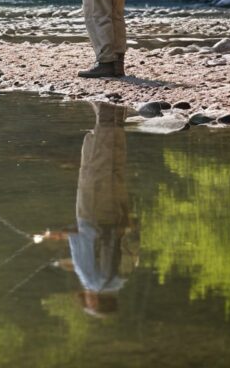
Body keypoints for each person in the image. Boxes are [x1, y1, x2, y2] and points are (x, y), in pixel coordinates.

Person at [40, 102, 134, 317]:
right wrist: (58, 235)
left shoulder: (121, 278)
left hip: (120, 214)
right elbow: (83, 240)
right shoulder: (92, 280)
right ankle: (107, 112)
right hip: (94, 215)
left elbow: (126, 244)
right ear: (93, 301)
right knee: (95, 168)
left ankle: (116, 111)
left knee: (115, 167)